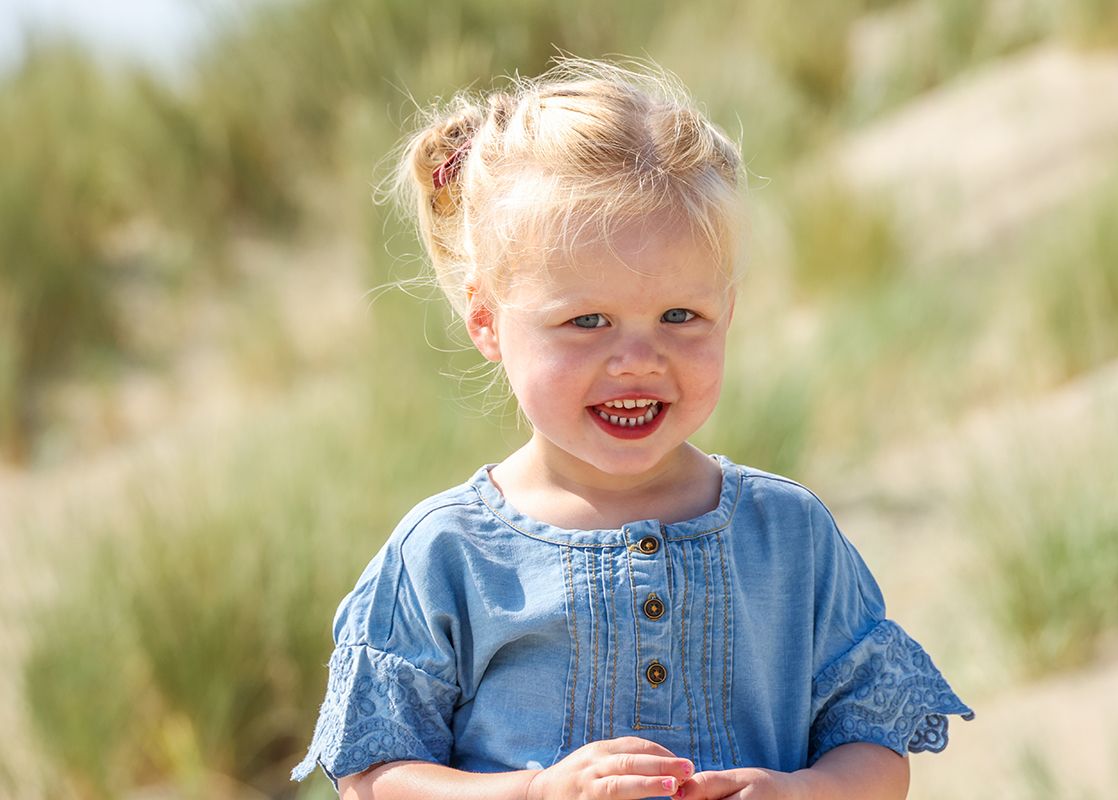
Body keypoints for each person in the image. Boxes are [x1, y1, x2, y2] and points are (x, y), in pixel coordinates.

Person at [291, 58, 972, 800]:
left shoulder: (790, 534)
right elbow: (373, 775)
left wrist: (803, 791)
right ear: (485, 318)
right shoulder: (445, 555)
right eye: (587, 321)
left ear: (729, 308)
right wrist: (536, 793)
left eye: (681, 316)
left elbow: (873, 742)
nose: (639, 360)